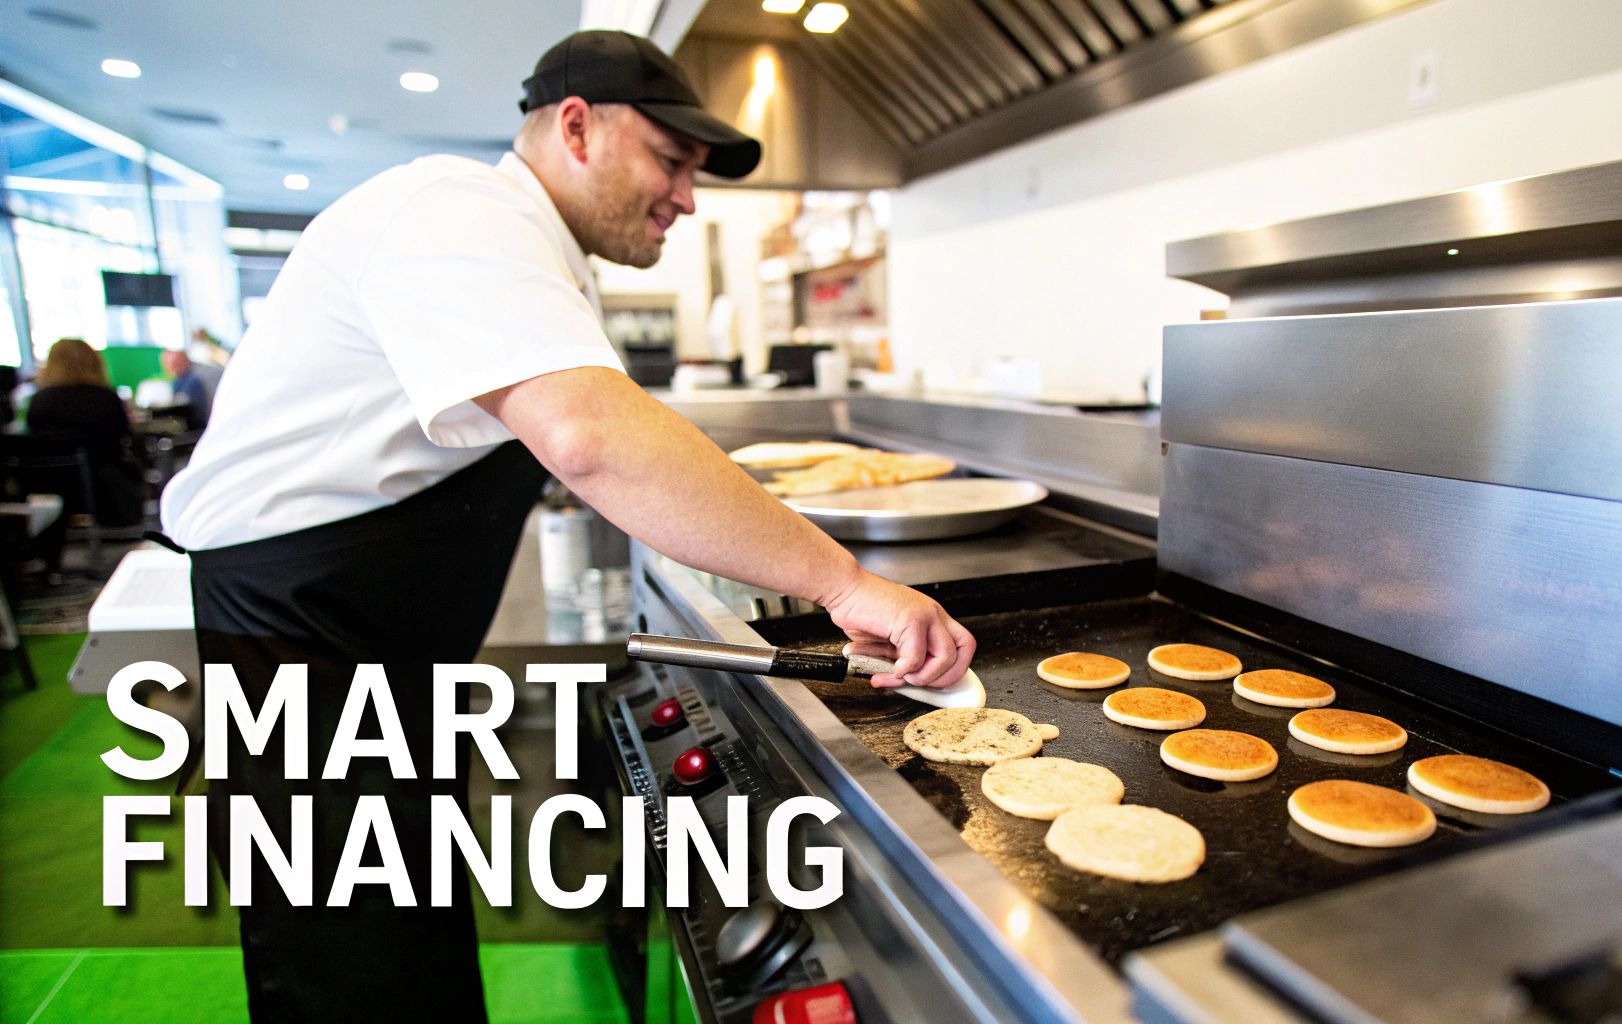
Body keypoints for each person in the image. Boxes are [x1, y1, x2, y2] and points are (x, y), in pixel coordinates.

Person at [158, 30, 974, 1023]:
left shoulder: (544, 255)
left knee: (406, 920)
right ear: (576, 127)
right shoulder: (457, 210)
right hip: (301, 632)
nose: (686, 197)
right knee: (349, 951)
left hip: (377, 637)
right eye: (670, 161)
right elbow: (590, 438)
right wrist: (843, 582)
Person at [25, 337, 145, 527]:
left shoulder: (39, 401)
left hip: (50, 488)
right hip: (104, 490)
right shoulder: (106, 398)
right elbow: (123, 437)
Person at [159, 347, 219, 429]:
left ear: (184, 359)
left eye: (174, 364)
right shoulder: (181, 378)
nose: (171, 370)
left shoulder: (198, 377)